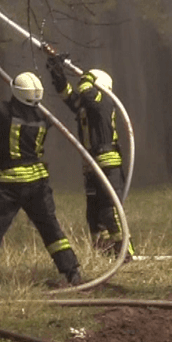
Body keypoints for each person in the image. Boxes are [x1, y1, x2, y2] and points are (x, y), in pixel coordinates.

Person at [0, 55, 82, 287]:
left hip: (8, 185)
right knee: (50, 228)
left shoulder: (3, 114)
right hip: (37, 184)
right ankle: (72, 271)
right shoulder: (45, 118)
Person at [47, 56, 128, 254]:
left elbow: (86, 92)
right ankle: (104, 252)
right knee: (94, 213)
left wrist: (86, 76)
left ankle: (126, 252)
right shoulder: (89, 106)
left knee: (110, 210)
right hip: (91, 165)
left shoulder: (104, 102)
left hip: (107, 162)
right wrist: (57, 73)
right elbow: (70, 97)